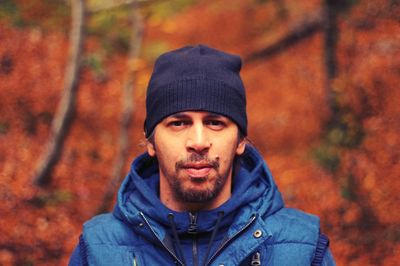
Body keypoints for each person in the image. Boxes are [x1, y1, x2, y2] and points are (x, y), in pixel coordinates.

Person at [69, 45, 335, 265]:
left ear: (241, 140)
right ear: (150, 142)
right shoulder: (97, 251)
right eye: (178, 123)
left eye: (215, 123)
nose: (198, 142)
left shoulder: (304, 250)